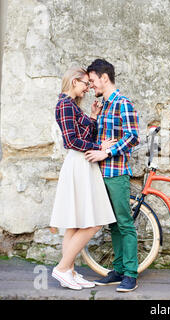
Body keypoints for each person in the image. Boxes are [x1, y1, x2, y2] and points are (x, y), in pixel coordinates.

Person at [50, 66, 117, 290]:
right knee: (93, 222)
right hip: (79, 163)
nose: (89, 88)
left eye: (90, 84)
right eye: (85, 84)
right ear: (74, 81)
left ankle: (69, 270)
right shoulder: (64, 105)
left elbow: (84, 134)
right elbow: (71, 141)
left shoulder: (71, 105)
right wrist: (99, 146)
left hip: (82, 163)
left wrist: (93, 116)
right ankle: (62, 268)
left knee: (75, 223)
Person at [84, 59, 140, 292]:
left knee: (125, 224)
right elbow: (100, 140)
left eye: (93, 81)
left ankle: (131, 274)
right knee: (113, 225)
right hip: (102, 173)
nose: (91, 86)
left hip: (116, 173)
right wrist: (94, 117)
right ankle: (118, 271)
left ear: (104, 78)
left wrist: (107, 151)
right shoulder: (104, 105)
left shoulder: (123, 103)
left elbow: (133, 136)